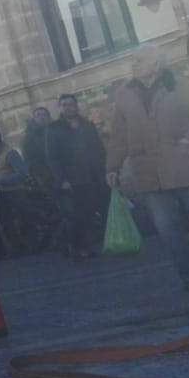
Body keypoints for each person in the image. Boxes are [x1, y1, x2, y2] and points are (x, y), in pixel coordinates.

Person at [106, 46, 189, 292]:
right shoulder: (124, 94)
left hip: (187, 166)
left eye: (139, 60)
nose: (133, 64)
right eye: (132, 60)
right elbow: (118, 135)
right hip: (149, 173)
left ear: (156, 64)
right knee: (168, 229)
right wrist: (113, 165)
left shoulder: (181, 85)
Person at [48, 93, 110, 261]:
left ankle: (88, 245)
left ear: (76, 106)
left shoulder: (87, 125)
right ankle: (77, 247)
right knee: (77, 217)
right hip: (72, 180)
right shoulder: (53, 129)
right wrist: (62, 179)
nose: (68, 107)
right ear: (60, 108)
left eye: (70, 104)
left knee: (90, 214)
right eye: (64, 104)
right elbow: (53, 157)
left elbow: (99, 151)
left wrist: (106, 171)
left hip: (93, 176)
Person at [0, 128, 32, 251]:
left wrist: (2, 180)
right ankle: (17, 248)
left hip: (17, 192)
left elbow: (22, 173)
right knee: (5, 222)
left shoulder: (10, 153)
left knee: (24, 220)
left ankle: (30, 246)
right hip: (2, 193)